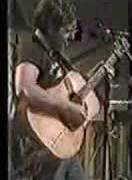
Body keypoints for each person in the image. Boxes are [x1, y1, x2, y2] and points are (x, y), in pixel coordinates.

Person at [11, 0, 88, 179]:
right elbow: (24, 88)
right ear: (51, 27)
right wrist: (66, 107)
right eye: (65, 31)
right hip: (38, 148)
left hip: (59, 144)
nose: (69, 37)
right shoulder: (32, 47)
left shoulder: (54, 55)